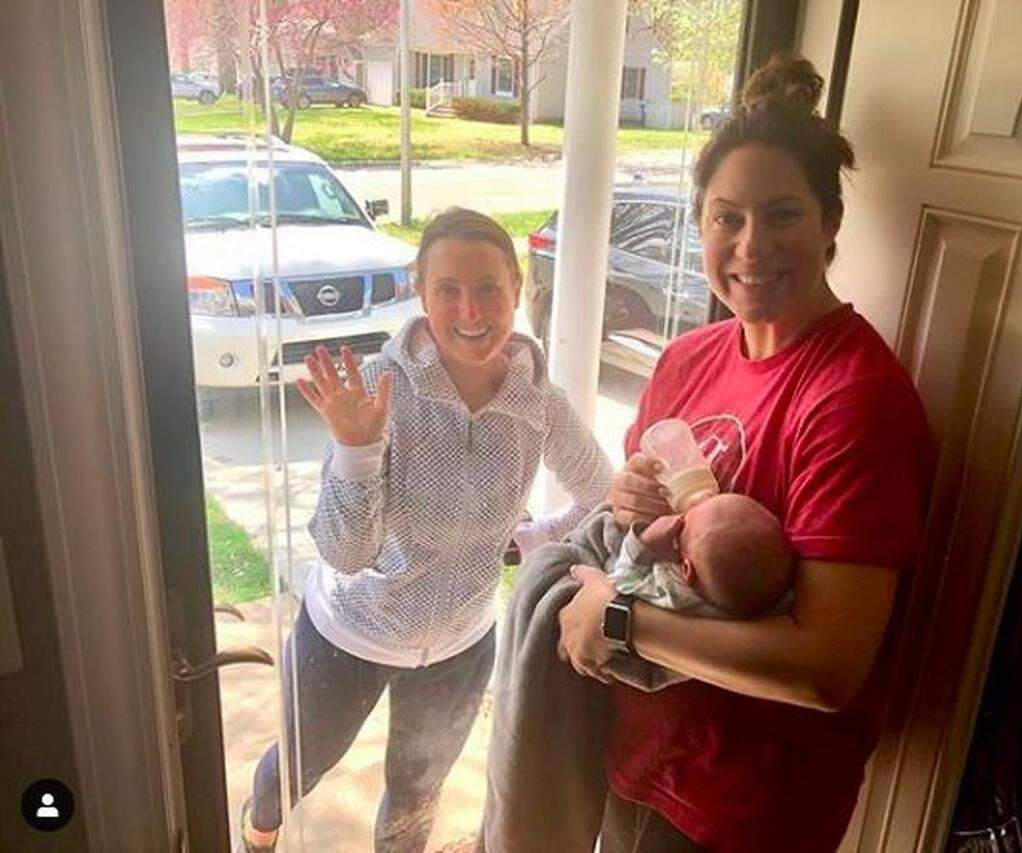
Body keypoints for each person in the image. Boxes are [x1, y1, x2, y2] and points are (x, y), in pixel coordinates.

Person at [557, 53, 935, 852]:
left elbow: (826, 666)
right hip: (637, 757)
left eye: (783, 214)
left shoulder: (855, 397)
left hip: (747, 808)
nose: (751, 243)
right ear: (701, 226)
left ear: (831, 223)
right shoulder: (686, 359)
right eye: (727, 216)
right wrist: (629, 503)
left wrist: (621, 619)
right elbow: (643, 530)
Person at [240, 208, 613, 853]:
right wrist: (356, 450)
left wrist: (528, 544)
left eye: (489, 288)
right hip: (351, 632)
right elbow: (346, 554)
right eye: (448, 290)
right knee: (292, 774)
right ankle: (255, 835)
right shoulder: (381, 395)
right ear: (421, 295)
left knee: (416, 797)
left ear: (517, 289)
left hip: (460, 646)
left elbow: (600, 493)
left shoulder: (538, 404)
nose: (471, 309)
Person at [610, 491, 792, 619]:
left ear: (686, 569)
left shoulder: (674, 594)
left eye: (682, 522)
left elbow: (622, 583)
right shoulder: (771, 604)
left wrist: (646, 541)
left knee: (603, 527)